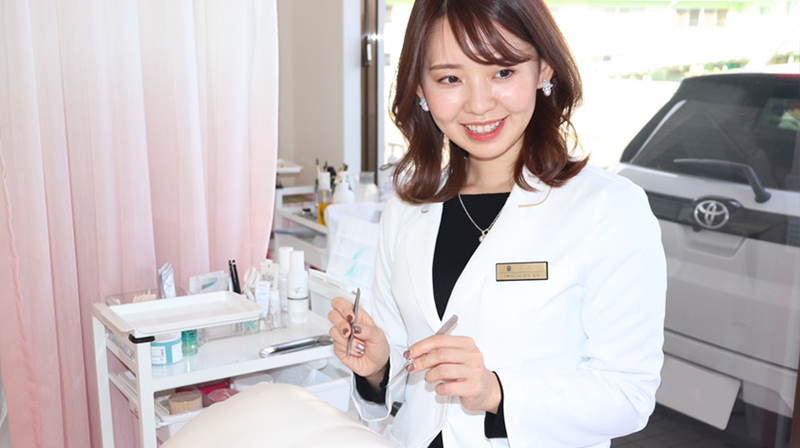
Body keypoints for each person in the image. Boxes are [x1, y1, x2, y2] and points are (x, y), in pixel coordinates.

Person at [327, 0, 666, 446]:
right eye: (450, 79)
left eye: (503, 72)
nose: (479, 103)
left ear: (544, 70)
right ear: (421, 89)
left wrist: (496, 392)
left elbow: (628, 395)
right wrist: (377, 368)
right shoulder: (406, 211)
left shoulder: (609, 208)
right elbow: (406, 380)